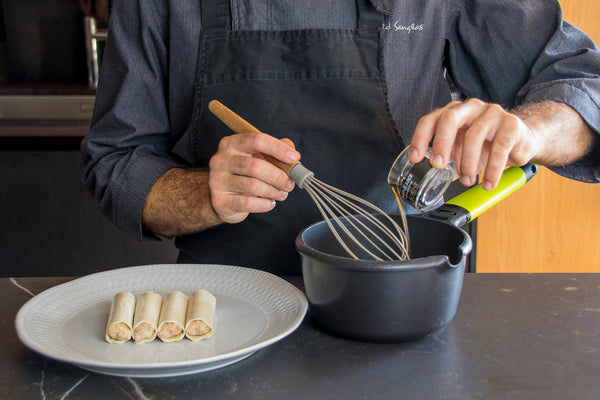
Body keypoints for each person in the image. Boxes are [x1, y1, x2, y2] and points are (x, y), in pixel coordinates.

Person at [82, 0, 600, 274]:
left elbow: (584, 86)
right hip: (228, 308)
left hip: (402, 295)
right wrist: (202, 194)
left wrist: (530, 129)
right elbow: (115, 164)